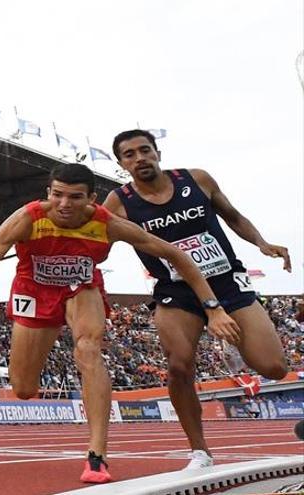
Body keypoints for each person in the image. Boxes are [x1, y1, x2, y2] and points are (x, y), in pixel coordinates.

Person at [0, 163, 240, 484]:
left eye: (75, 197)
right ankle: (71, 425)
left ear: (92, 198)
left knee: (88, 350)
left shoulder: (107, 224)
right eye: (57, 195)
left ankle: (97, 456)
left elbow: (175, 254)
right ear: (48, 193)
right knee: (23, 388)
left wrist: (212, 306)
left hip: (82, 286)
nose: (64, 204)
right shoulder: (28, 219)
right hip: (34, 291)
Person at [103, 129, 289, 469]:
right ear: (121, 163)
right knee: (178, 364)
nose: (139, 157)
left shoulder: (197, 179)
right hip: (176, 293)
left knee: (274, 368)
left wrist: (262, 243)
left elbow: (232, 217)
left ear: (157, 152)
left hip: (227, 284)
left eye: (145, 150)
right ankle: (200, 451)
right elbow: (99, 248)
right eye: (129, 154)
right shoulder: (118, 203)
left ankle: (239, 342)